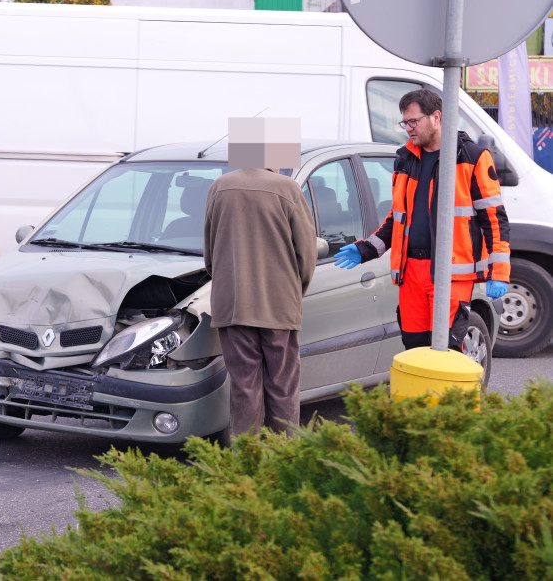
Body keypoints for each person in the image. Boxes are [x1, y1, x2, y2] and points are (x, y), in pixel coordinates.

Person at [333, 89, 510, 351]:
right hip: (411, 273)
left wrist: (500, 272)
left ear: (436, 117)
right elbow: (398, 218)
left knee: (447, 351)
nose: (408, 129)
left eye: (414, 121)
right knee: (415, 349)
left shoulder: (472, 158)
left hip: (451, 274)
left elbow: (494, 220)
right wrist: (367, 248)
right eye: (405, 122)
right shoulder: (405, 159)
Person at [204, 117, 317, 437]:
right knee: (282, 386)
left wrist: (227, 281)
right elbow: (306, 255)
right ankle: (282, 461)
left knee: (244, 387)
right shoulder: (288, 190)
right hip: (278, 306)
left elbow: (210, 253)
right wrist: (295, 290)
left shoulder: (220, 187)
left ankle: (248, 461)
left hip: (233, 305)